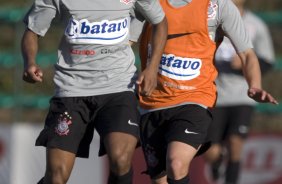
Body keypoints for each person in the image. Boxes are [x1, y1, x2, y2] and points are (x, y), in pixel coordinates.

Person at [129, 0, 278, 184]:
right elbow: (125, 43)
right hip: (152, 103)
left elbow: (247, 54)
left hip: (195, 98)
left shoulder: (218, 7)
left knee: (176, 163)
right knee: (160, 178)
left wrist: (254, 85)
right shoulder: (148, 3)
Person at [21, 0, 167, 183]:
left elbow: (160, 21)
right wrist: (29, 62)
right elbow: (32, 32)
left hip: (118, 87)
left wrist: (152, 68)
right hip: (71, 89)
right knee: (57, 175)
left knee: (121, 159)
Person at [203, 0, 276, 183]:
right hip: (214, 95)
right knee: (211, 151)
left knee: (236, 144)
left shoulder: (255, 24)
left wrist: (241, 66)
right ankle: (217, 162)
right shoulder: (209, 18)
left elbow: (267, 61)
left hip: (243, 96)